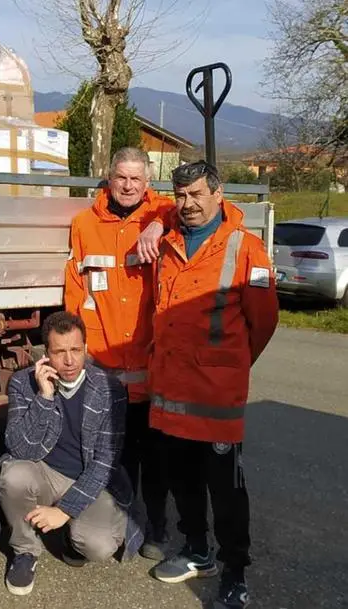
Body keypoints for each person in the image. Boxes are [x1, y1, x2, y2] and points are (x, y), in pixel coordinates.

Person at [148, 162, 278, 609]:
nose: (188, 204)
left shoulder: (246, 248)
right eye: (180, 196)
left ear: (218, 195)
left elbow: (262, 322)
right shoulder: (168, 243)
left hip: (215, 395)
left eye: (197, 194)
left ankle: (234, 570)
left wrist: (231, 364)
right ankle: (196, 551)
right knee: (181, 479)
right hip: (171, 392)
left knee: (226, 490)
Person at [64, 146, 173, 559]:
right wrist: (75, 350)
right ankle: (117, 525)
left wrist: (159, 224)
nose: (128, 186)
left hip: (151, 364)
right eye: (121, 178)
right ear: (108, 178)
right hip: (105, 363)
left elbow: (220, 211)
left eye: (136, 179)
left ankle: (158, 529)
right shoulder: (84, 224)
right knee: (110, 454)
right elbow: (74, 291)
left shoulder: (166, 215)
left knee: (156, 455)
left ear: (148, 183)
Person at [0, 312, 143, 596]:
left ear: (85, 348)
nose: (69, 360)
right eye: (59, 352)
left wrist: (64, 510)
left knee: (98, 546)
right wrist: (44, 398)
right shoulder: (24, 383)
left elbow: (105, 463)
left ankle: (73, 535)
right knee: (13, 475)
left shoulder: (110, 389)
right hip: (45, 472)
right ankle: (25, 551)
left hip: (92, 480)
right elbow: (20, 449)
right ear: (45, 354)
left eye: (75, 350)